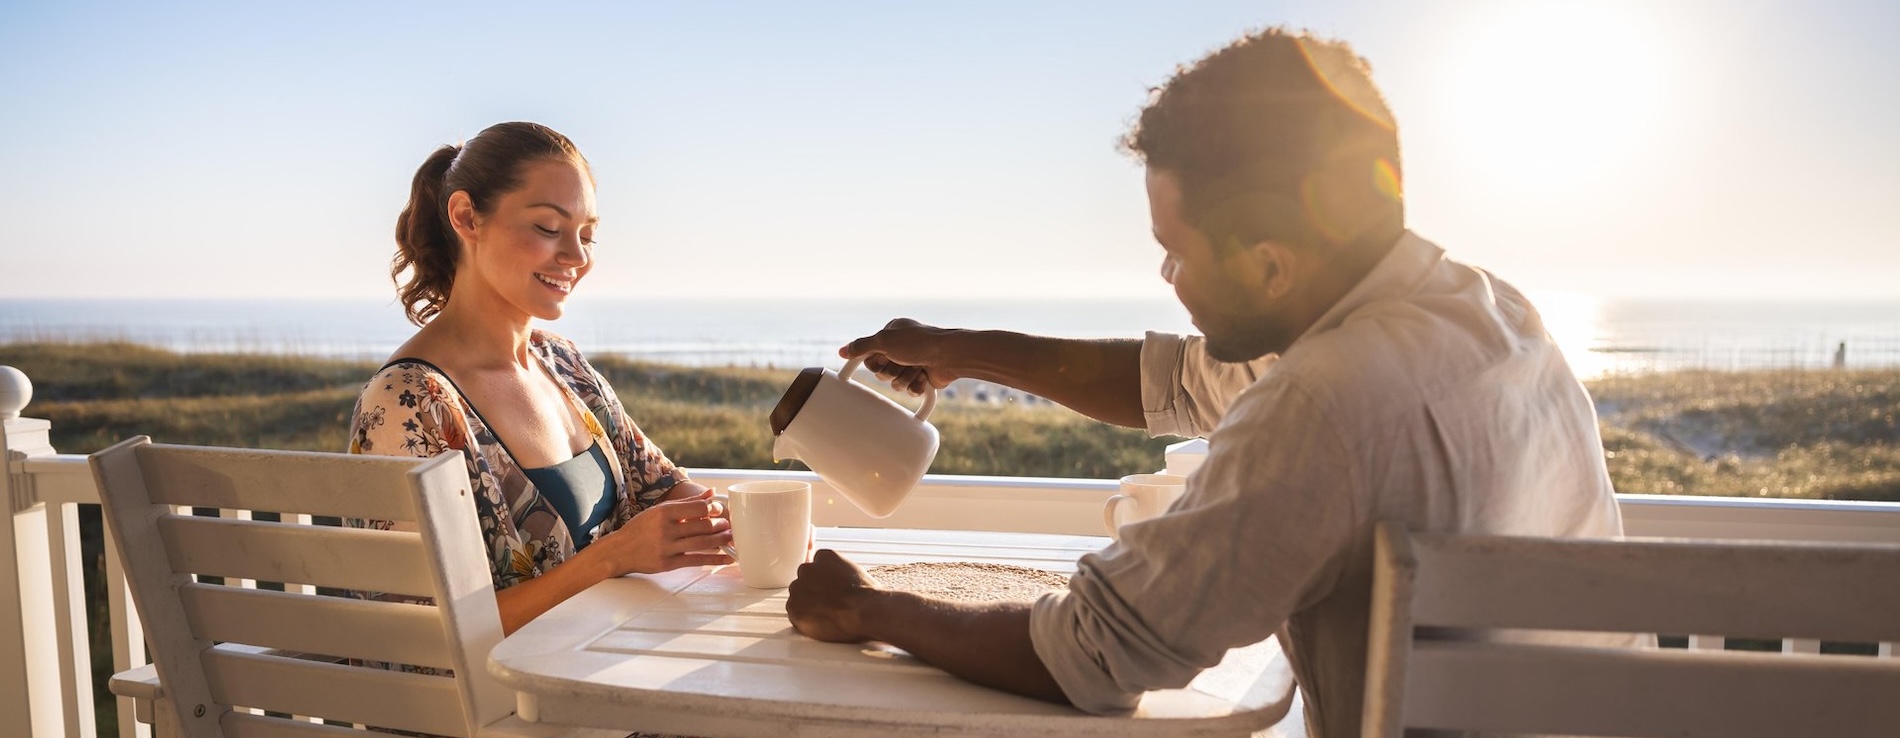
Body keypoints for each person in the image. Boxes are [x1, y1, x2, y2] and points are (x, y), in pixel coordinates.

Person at [784, 28, 1632, 737]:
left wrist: (867, 611)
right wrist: (964, 349)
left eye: (1179, 251)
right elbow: (1180, 384)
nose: (1167, 272)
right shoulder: (1487, 311)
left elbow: (1092, 653)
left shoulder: (1324, 404)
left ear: (1270, 265)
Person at [348, 122, 733, 636]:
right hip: (501, 709)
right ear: (466, 217)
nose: (576, 257)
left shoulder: (564, 366)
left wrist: (750, 524)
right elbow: (419, 633)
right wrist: (609, 558)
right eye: (549, 229)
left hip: (603, 671)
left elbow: (663, 490)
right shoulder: (408, 403)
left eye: (587, 235)